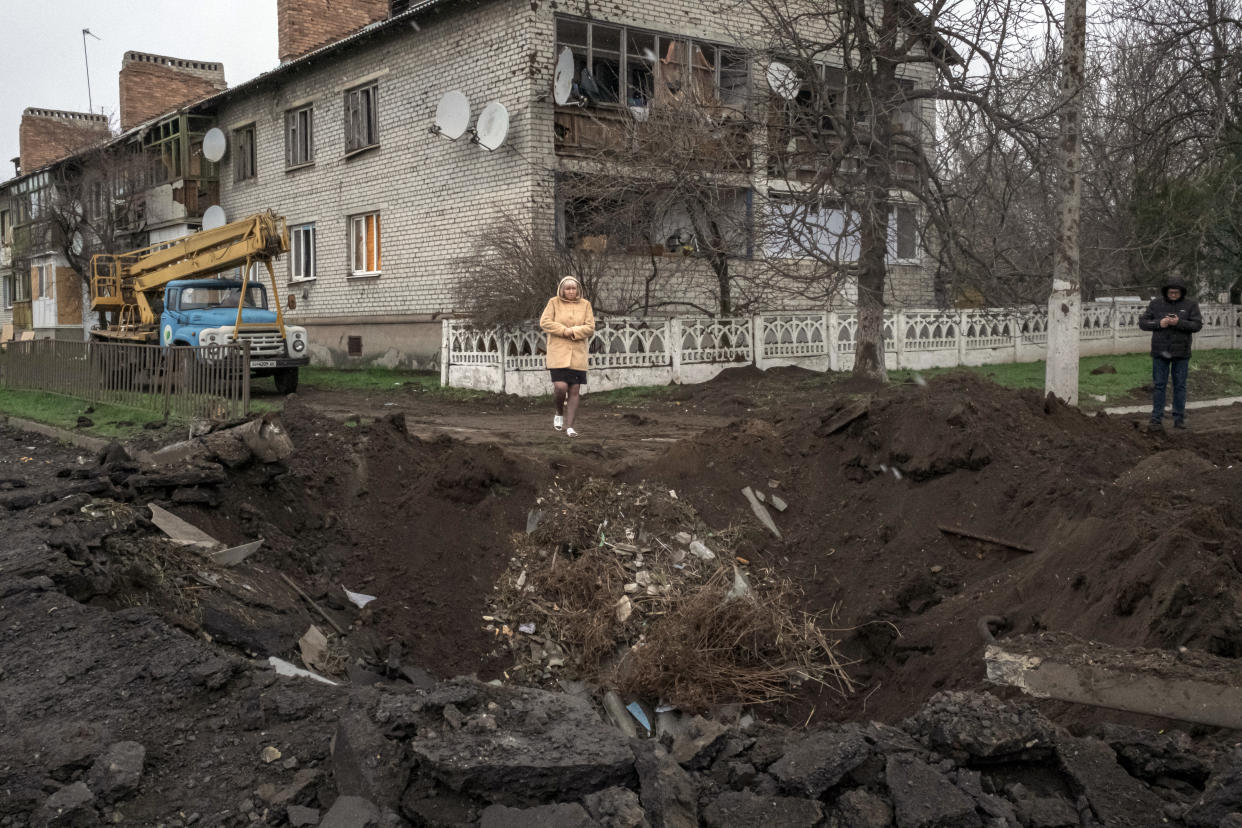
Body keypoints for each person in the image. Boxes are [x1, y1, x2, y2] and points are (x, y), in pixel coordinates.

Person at [1138, 276, 1203, 429]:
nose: (1173, 295)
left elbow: (1197, 325)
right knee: (1159, 385)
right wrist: (1159, 323)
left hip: (1182, 352)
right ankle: (1156, 418)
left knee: (1180, 385)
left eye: (1176, 292)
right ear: (1166, 292)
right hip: (1160, 352)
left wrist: (1178, 322)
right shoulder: (1156, 304)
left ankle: (1179, 418)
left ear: (1182, 292)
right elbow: (1143, 323)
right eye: (1170, 292)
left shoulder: (1191, 304)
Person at [539, 276, 595, 438]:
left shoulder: (585, 305)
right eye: (567, 288)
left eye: (573, 288)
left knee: (575, 389)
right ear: (562, 289)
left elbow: (590, 327)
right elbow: (545, 322)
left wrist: (575, 332)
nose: (571, 291)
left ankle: (570, 426)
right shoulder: (553, 302)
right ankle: (558, 411)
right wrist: (564, 331)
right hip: (558, 353)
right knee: (561, 387)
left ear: (578, 289)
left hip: (577, 354)